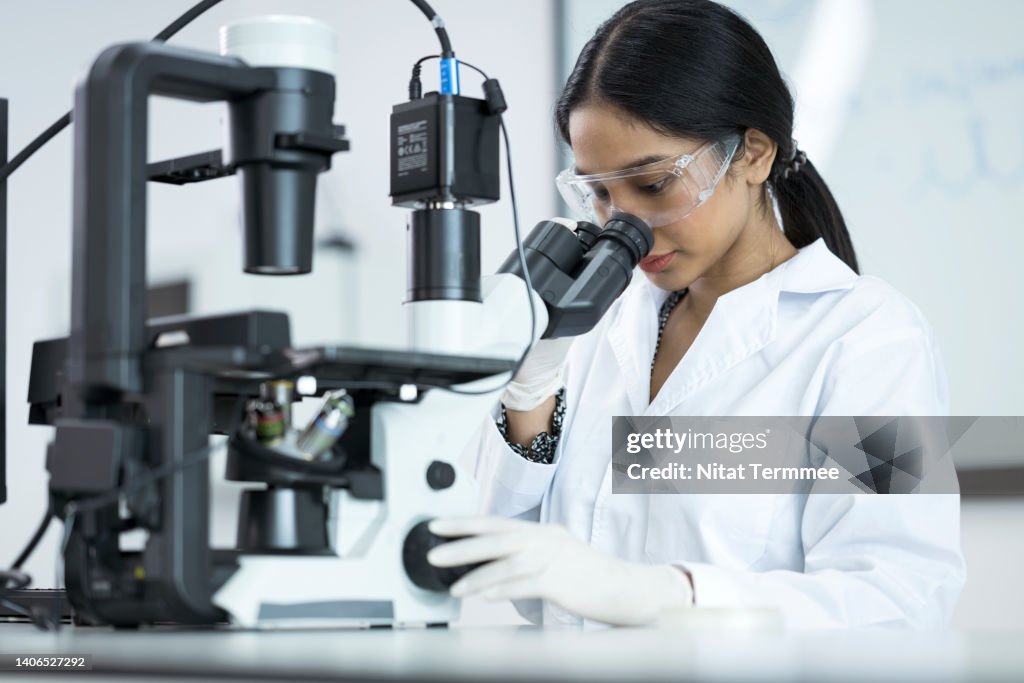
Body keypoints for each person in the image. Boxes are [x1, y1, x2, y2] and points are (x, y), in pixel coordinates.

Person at [426, 0, 965, 629]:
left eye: (653, 185)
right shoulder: (599, 323)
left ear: (753, 154)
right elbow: (513, 570)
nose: (623, 225)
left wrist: (673, 595)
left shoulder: (869, 340)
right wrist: (531, 394)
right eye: (599, 192)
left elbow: (902, 596)